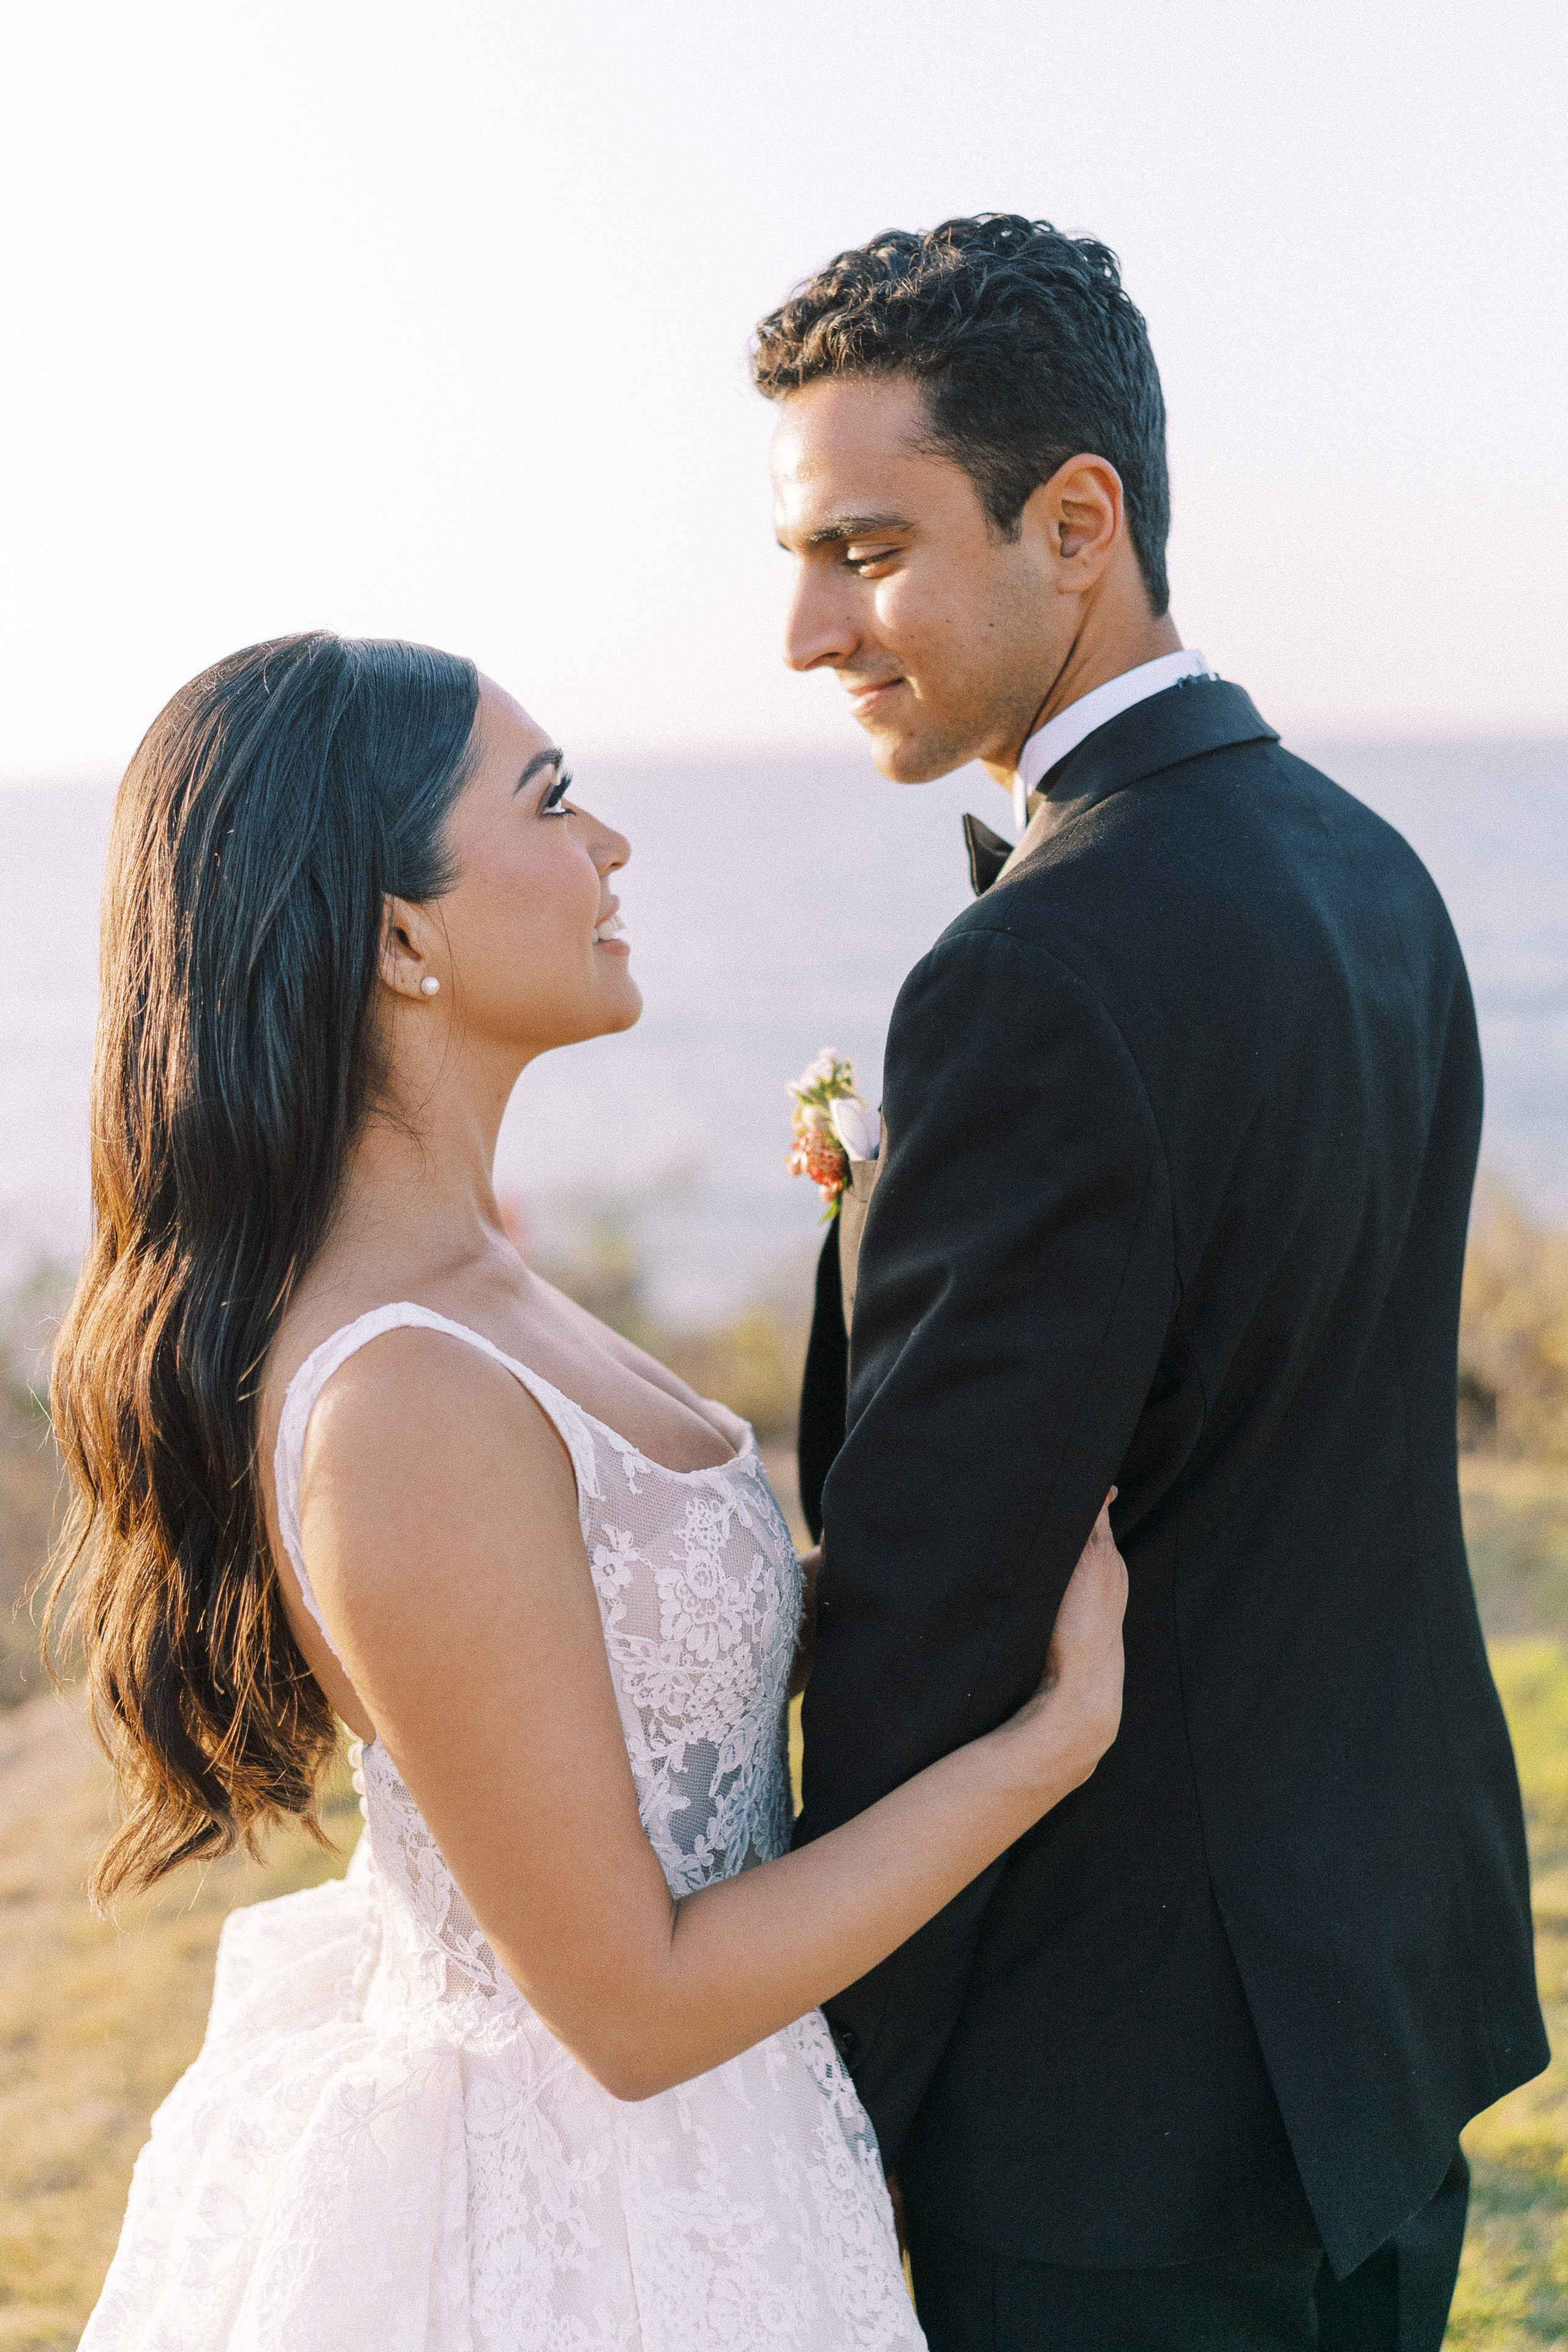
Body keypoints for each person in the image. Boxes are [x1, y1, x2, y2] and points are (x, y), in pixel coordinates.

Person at [51, 630, 1126, 2351]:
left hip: (726, 2154)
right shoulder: (403, 1400)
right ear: (402, 935)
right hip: (584, 2226)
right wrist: (1041, 1754)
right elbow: (632, 2005)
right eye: (553, 804)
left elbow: (633, 1674)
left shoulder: (483, 1276)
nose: (612, 846)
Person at [756, 214, 1548, 2352]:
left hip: (1115, 2100)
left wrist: (812, 2085)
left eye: (866, 545)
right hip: (1381, 2002)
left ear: (1077, 519)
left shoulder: (1036, 970)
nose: (810, 628)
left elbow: (939, 1603)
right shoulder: (1369, 867)